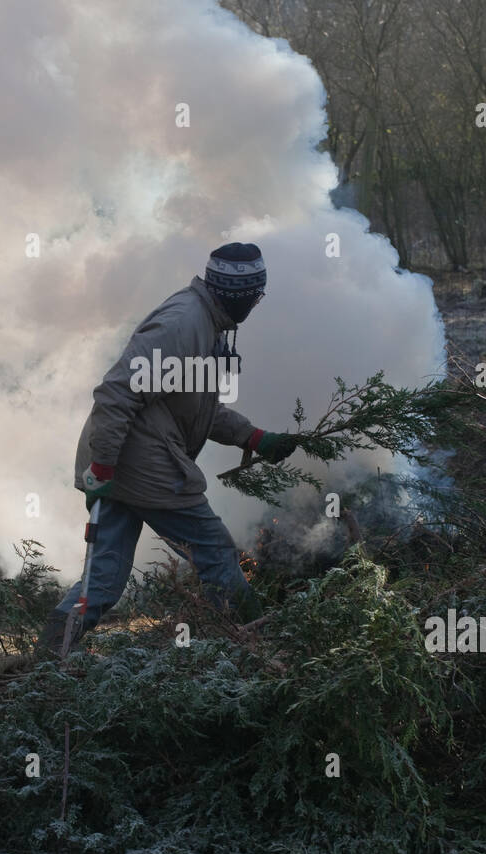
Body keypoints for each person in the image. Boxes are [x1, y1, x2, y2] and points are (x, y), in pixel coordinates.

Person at [41, 243, 298, 647]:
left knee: (103, 580)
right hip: (142, 465)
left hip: (124, 466)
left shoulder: (206, 322)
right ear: (241, 293)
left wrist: (252, 437)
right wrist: (105, 467)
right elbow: (116, 392)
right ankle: (253, 646)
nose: (256, 304)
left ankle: (49, 659)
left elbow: (195, 407)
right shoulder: (183, 324)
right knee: (214, 552)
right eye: (256, 295)